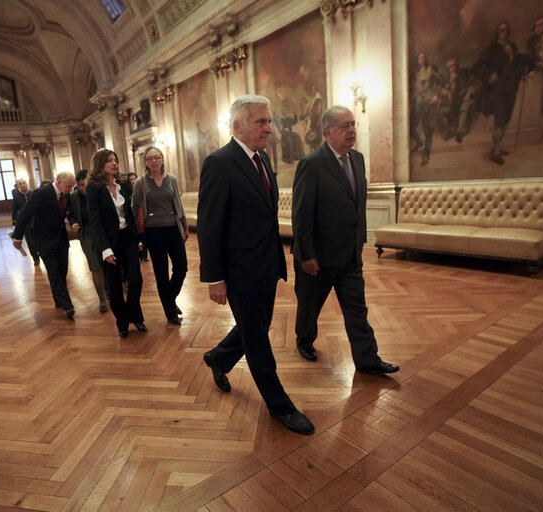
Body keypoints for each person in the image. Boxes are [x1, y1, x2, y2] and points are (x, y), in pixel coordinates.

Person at [197, 94, 314, 435]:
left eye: (269, 121)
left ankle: (219, 358)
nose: (270, 129)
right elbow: (210, 224)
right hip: (238, 272)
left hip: (265, 264)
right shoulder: (219, 163)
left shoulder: (261, 160)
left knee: (255, 329)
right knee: (259, 342)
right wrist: (215, 277)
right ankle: (281, 407)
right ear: (237, 126)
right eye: (261, 122)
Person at [291, 105, 399, 376]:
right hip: (318, 257)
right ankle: (304, 340)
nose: (351, 131)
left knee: (357, 311)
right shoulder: (312, 164)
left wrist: (359, 243)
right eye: (344, 126)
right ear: (327, 132)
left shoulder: (358, 159)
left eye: (353, 125)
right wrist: (306, 254)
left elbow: (355, 205)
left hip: (350, 255)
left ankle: (367, 360)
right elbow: (301, 214)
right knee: (309, 306)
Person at [86, 149, 147, 338]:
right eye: (109, 161)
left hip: (127, 237)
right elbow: (95, 221)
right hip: (108, 242)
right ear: (100, 164)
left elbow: (129, 213)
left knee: (136, 279)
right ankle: (122, 322)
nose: (114, 163)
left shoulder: (123, 184)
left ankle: (135, 316)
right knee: (114, 286)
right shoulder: (93, 188)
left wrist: (136, 238)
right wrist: (105, 249)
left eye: (115, 160)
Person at [132, 146, 188, 325]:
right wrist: (139, 236)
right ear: (146, 162)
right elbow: (135, 208)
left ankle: (169, 300)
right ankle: (170, 312)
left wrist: (185, 225)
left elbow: (178, 203)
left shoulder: (171, 179)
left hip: (173, 228)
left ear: (162, 159)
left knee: (182, 267)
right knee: (161, 272)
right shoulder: (140, 183)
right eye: (150, 158)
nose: (154, 161)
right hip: (153, 232)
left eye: (157, 157)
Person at [12, 172, 76, 320]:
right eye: (68, 186)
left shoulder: (66, 195)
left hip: (60, 239)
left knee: (62, 271)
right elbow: (25, 214)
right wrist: (17, 237)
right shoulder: (41, 193)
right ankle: (68, 306)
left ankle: (58, 300)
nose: (71, 190)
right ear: (59, 182)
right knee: (54, 272)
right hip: (43, 240)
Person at [473, 21, 534, 165]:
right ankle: (495, 151)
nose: (504, 32)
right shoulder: (492, 49)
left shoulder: (513, 47)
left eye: (507, 30)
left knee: (505, 121)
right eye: (501, 30)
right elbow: (476, 67)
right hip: (498, 92)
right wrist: (489, 75)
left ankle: (499, 147)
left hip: (511, 90)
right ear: (497, 33)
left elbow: (515, 67)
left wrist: (522, 75)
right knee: (499, 122)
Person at [67, 169, 107, 313]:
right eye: (80, 185)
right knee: (95, 267)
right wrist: (73, 223)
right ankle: (102, 299)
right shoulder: (74, 197)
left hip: (103, 233)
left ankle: (109, 291)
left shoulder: (99, 192)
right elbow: (70, 214)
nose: (83, 188)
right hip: (87, 235)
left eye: (85, 184)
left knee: (107, 264)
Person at [11, 178, 39, 265]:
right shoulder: (16, 197)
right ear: (18, 186)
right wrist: (15, 224)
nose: (23, 185)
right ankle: (35, 258)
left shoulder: (33, 194)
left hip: (35, 220)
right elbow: (14, 211)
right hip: (25, 222)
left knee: (37, 239)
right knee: (30, 241)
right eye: (20, 184)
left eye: (24, 183)